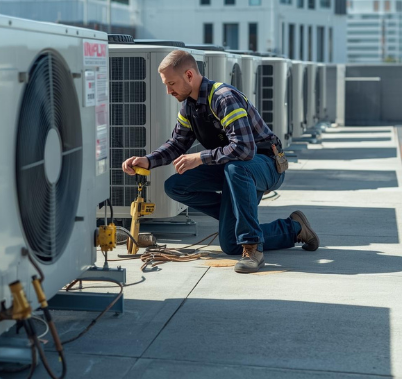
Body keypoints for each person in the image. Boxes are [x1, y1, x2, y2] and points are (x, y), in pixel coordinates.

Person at [122, 49, 319, 273]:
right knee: (177, 187)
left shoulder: (224, 97)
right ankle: (294, 228)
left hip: (265, 164)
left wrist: (200, 157)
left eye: (172, 83)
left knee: (238, 170)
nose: (168, 91)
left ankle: (253, 247)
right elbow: (177, 144)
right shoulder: (189, 106)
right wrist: (147, 161)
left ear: (189, 75)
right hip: (234, 169)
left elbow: (244, 149)